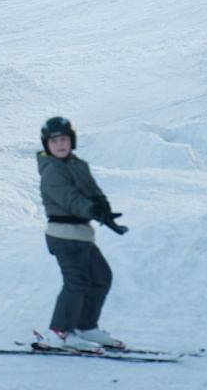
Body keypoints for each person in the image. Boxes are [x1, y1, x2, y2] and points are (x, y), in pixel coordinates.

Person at [36, 116, 128, 352]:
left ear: (72, 141)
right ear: (47, 144)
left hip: (82, 235)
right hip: (63, 235)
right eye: (54, 141)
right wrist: (92, 210)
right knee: (76, 283)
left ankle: (86, 326)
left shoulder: (79, 165)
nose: (60, 144)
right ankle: (59, 333)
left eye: (64, 139)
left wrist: (104, 210)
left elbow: (93, 192)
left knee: (101, 277)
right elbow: (70, 199)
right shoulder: (51, 171)